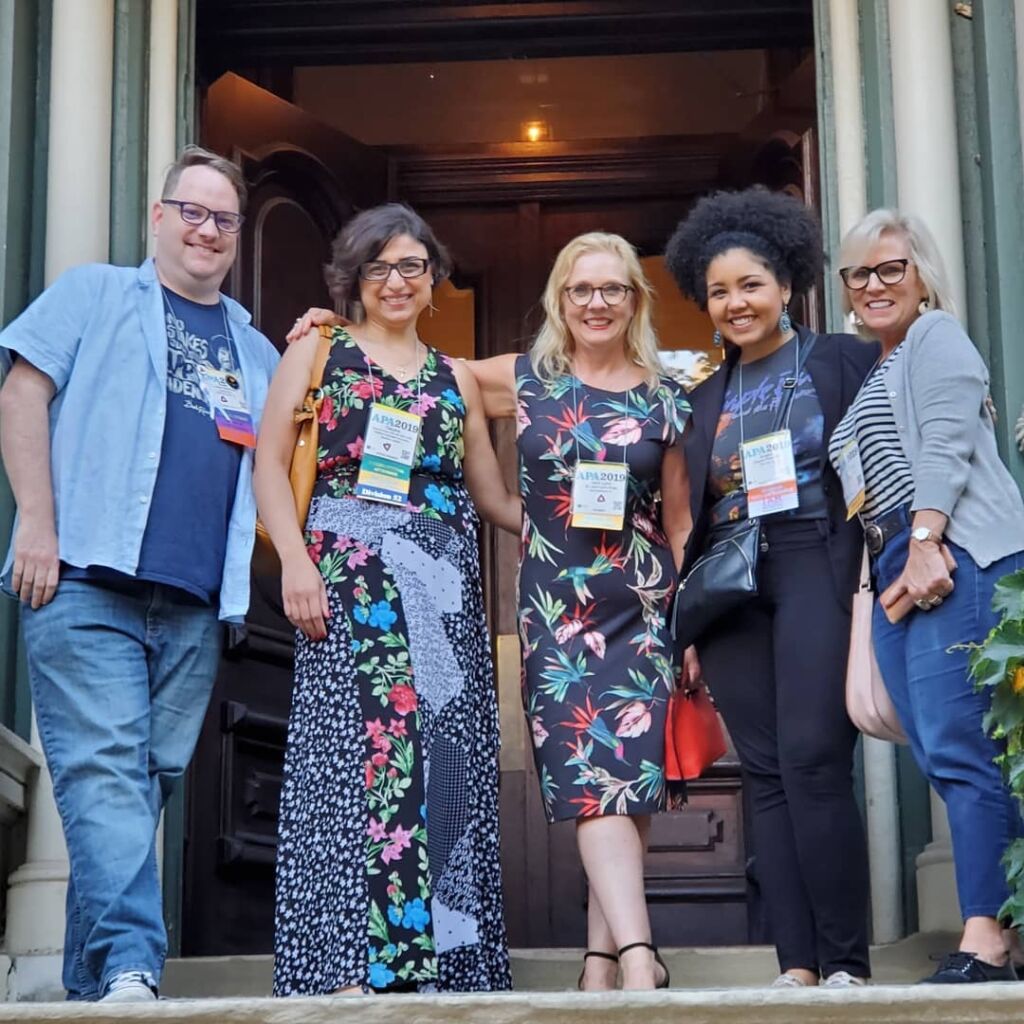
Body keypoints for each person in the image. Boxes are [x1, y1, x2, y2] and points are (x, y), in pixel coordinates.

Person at [290, 232, 691, 991]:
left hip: (641, 602)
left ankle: (601, 961)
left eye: (612, 289)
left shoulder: (666, 395)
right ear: (559, 301)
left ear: (635, 300)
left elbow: (676, 520)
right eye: (580, 290)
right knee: (588, 772)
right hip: (556, 605)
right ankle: (641, 957)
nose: (596, 303)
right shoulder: (521, 380)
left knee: (627, 777)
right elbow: (403, 363)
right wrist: (332, 331)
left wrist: (687, 611)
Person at [0, 146, 279, 1002]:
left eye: (223, 219)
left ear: (236, 235)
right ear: (158, 218)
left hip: (193, 605)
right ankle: (132, 964)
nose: (206, 230)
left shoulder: (256, 350)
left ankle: (95, 994)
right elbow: (20, 394)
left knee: (137, 787)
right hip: (83, 581)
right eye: (190, 212)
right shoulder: (93, 294)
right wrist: (37, 528)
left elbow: (278, 470)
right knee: (106, 775)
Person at [256, 203, 517, 995]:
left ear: (434, 278)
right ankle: (346, 966)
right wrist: (296, 564)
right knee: (356, 763)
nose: (397, 281)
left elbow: (497, 502)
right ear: (353, 277)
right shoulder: (317, 351)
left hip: (442, 593)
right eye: (380, 266)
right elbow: (269, 467)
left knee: (442, 766)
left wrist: (598, 521)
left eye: (412, 266)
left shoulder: (455, 377)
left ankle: (444, 965)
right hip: (347, 582)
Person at [664, 187, 874, 988]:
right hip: (731, 588)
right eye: (719, 291)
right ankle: (798, 965)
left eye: (750, 284)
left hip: (817, 559)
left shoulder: (842, 361)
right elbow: (693, 510)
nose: (735, 302)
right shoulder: (703, 398)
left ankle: (848, 961)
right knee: (767, 774)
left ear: (786, 284)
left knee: (816, 759)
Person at [832, 209, 1024, 984]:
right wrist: (881, 576)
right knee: (948, 758)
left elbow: (944, 442)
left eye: (893, 269)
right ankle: (999, 921)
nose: (876, 285)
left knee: (963, 751)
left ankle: (986, 935)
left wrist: (925, 540)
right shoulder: (881, 366)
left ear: (923, 276)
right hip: (898, 582)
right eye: (860, 274)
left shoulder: (936, 338)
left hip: (954, 564)